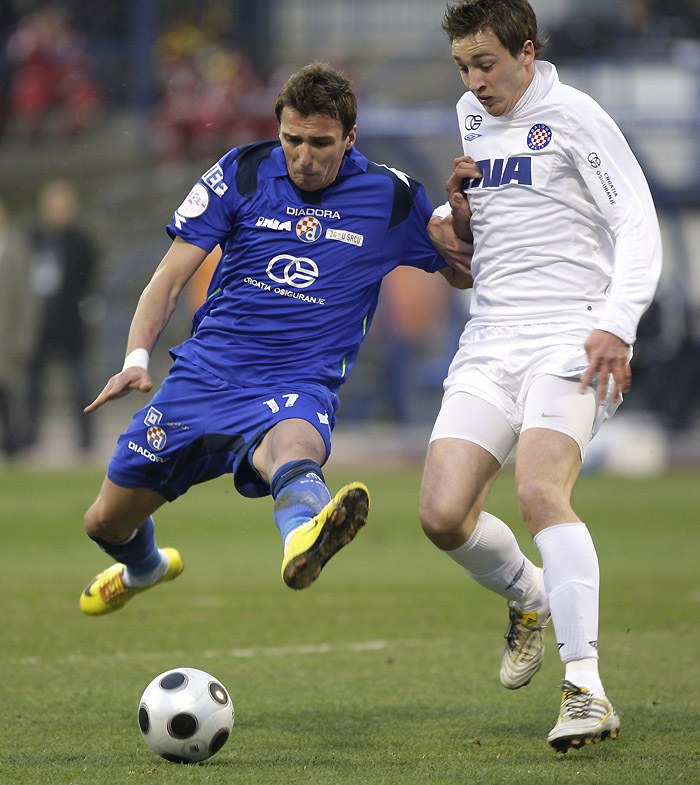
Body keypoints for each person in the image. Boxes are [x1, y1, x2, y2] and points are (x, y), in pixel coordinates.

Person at [79, 62, 470, 616]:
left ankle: (303, 540)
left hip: (297, 382)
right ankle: (146, 566)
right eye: (292, 140)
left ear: (350, 137)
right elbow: (168, 279)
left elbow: (461, 271)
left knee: (294, 447)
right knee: (105, 521)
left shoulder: (391, 196)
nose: (304, 157)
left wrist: (468, 221)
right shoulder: (243, 171)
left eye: (321, 143)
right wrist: (137, 357)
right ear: (278, 128)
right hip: (204, 376)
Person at [422, 0, 661, 753]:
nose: (475, 80)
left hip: (573, 332)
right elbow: (493, 235)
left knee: (537, 491)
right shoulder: (470, 114)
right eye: (463, 66)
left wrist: (615, 323)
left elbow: (638, 223)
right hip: (491, 337)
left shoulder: (577, 115)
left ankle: (586, 687)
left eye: (486, 63)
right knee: (441, 512)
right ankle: (529, 593)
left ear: (527, 51)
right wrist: (452, 218)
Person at [25, 178, 98, 454]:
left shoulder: (81, 241)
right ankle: (28, 437)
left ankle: (86, 438)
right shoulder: (33, 238)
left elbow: (89, 279)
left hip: (71, 323)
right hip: (40, 323)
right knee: (33, 384)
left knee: (79, 382)